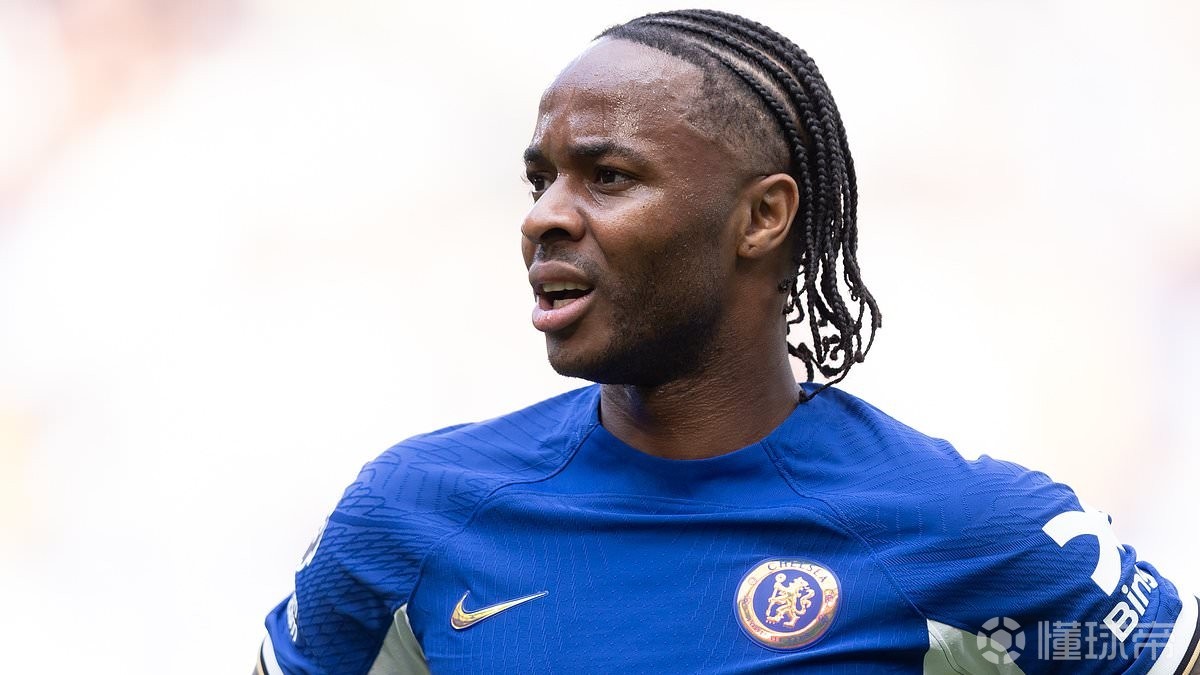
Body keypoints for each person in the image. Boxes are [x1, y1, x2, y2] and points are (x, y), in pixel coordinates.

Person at [256, 9, 1197, 674]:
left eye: (608, 176)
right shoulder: (410, 515)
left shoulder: (972, 529)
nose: (544, 217)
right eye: (541, 180)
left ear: (762, 217)